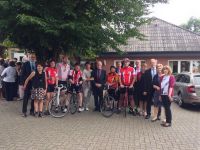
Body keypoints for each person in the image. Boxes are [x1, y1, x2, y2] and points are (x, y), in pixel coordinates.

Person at [21, 52, 36, 117]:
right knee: (26, 98)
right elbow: (22, 74)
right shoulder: (25, 64)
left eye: (33, 57)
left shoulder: (37, 64)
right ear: (29, 57)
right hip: (27, 83)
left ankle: (32, 111)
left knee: (33, 98)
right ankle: (24, 111)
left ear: (35, 58)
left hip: (35, 84)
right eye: (31, 57)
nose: (32, 58)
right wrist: (23, 83)